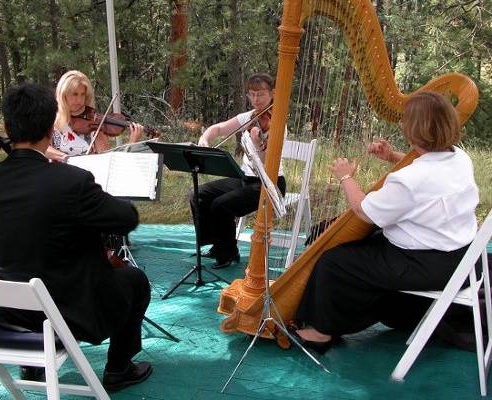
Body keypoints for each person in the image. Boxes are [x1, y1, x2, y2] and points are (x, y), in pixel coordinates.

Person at [0, 82, 152, 391]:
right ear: (50, 127)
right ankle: (119, 369)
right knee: (135, 281)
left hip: (5, 311)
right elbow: (126, 218)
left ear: (8, 126)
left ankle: (33, 368)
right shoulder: (71, 182)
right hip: (69, 313)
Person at [293, 91, 479, 354]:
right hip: (462, 257)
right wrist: (393, 157)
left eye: (405, 119)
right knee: (358, 241)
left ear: (415, 127)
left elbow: (363, 211)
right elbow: (428, 164)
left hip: (424, 264)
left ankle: (319, 333)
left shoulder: (410, 179)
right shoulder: (459, 157)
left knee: (334, 262)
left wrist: (346, 177)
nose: (401, 123)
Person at [194, 73, 286, 269]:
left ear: (273, 94)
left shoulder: (278, 125)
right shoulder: (249, 117)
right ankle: (218, 243)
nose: (255, 100)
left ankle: (228, 254)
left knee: (220, 205)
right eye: (251, 95)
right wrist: (205, 138)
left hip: (269, 183)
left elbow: (268, 164)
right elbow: (218, 129)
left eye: (260, 94)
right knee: (198, 194)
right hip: (246, 179)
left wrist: (258, 144)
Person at [45, 70, 145, 162]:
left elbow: (108, 160)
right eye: (74, 94)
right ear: (63, 94)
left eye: (82, 94)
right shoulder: (51, 119)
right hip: (59, 176)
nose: (79, 100)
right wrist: (65, 157)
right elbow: (40, 148)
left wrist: (132, 142)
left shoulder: (93, 125)